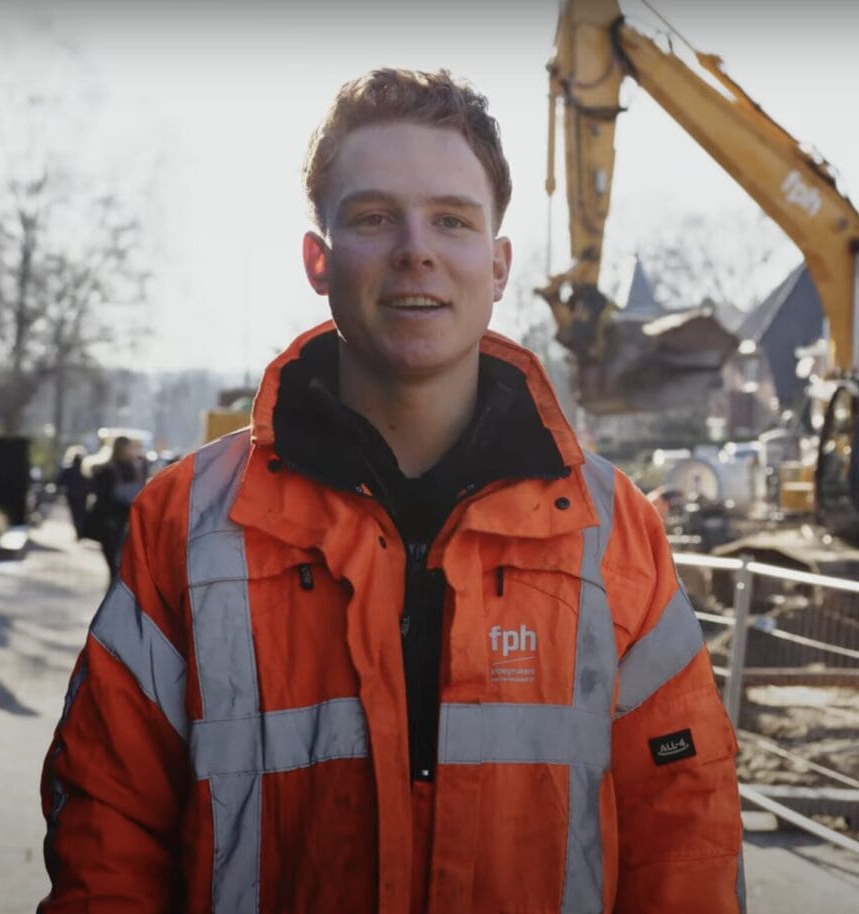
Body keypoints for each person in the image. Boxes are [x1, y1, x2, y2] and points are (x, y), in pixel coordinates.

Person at [38, 69, 743, 913]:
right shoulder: (187, 523)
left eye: (452, 218)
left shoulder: (612, 529)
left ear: (498, 262)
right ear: (317, 258)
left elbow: (685, 834)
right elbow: (107, 830)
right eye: (375, 217)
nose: (418, 248)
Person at [81, 435, 147, 581]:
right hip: (112, 521)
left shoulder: (136, 468)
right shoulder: (107, 470)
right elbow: (103, 496)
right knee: (113, 558)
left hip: (128, 519)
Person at [55, 445, 90, 540]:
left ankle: (79, 532)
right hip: (82, 494)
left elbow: (60, 481)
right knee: (81, 513)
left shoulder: (68, 468)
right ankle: (81, 532)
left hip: (72, 494)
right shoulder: (85, 469)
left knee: (75, 514)